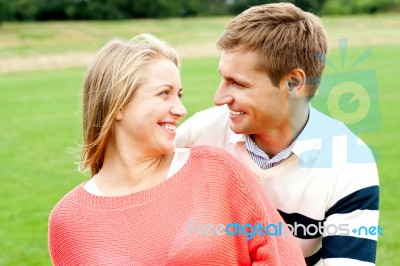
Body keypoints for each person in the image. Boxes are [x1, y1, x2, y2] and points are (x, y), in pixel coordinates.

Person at [48, 33, 306, 265]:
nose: (180, 110)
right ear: (118, 105)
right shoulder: (68, 220)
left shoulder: (216, 170)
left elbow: (283, 257)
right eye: (164, 93)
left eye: (179, 95)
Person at [176, 3, 379, 266]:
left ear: (294, 83)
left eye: (237, 83)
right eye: (223, 79)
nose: (219, 98)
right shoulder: (199, 134)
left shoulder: (349, 162)